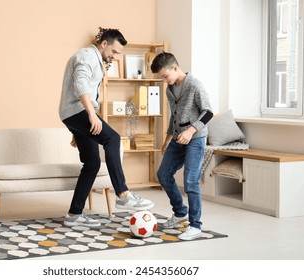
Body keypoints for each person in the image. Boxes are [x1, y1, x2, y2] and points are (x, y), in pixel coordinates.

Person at [59, 28, 154, 227]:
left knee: (92, 163)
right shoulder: (87, 55)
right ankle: (122, 194)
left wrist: (80, 129)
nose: (115, 56)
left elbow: (89, 93)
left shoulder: (96, 59)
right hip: (78, 111)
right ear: (104, 44)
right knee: (113, 139)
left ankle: (74, 214)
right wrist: (91, 116)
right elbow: (80, 84)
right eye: (114, 51)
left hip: (75, 114)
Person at [150, 52, 213, 240]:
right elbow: (174, 116)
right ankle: (179, 212)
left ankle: (195, 226)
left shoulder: (194, 85)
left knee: (190, 182)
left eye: (164, 75)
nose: (164, 80)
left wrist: (191, 131)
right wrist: (168, 138)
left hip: (195, 138)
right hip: (177, 139)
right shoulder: (170, 89)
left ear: (175, 68)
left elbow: (208, 112)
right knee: (163, 174)